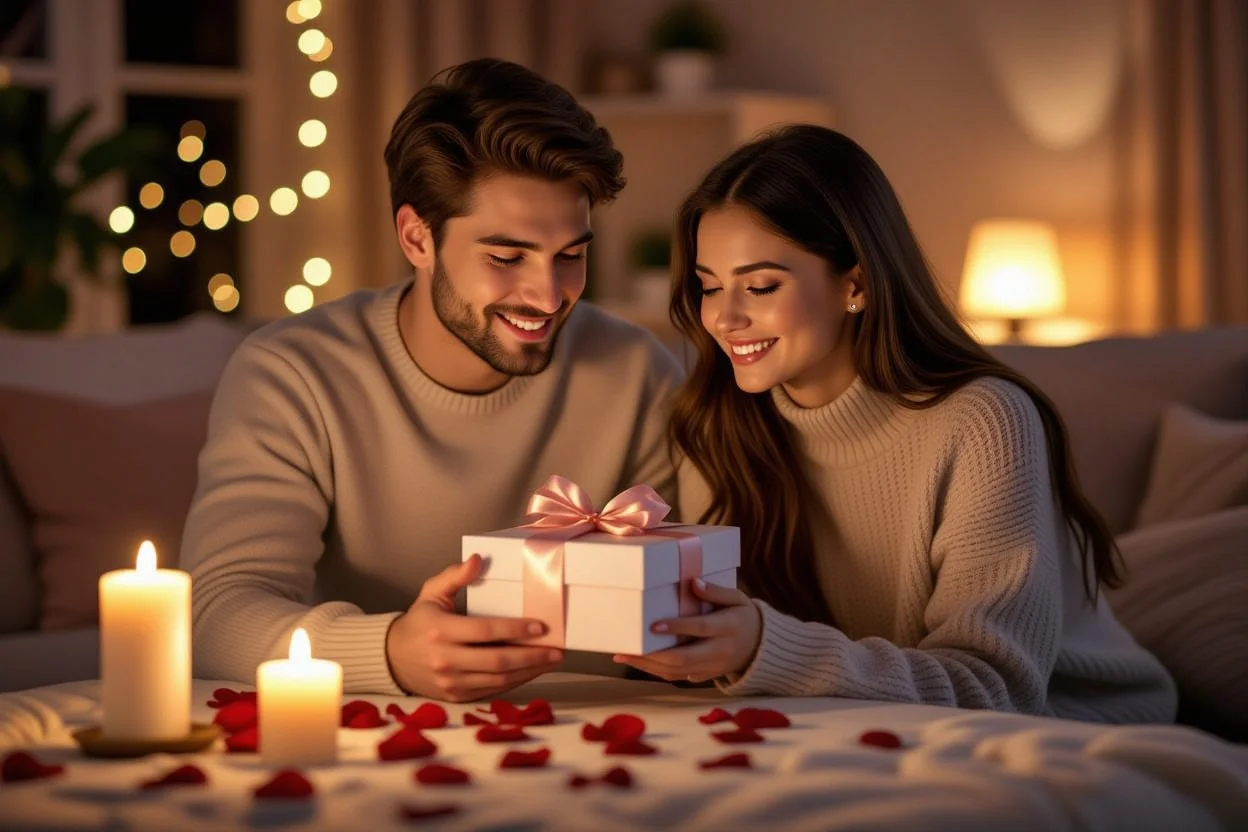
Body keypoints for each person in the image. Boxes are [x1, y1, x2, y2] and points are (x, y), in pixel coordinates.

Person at [613, 125, 1177, 724]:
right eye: (708, 287)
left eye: (759, 286)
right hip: (854, 725)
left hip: (1071, 726)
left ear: (853, 285)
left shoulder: (984, 421)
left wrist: (765, 646)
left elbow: (998, 688)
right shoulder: (715, 424)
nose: (725, 318)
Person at [181, 59, 683, 703]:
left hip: (616, 738)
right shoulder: (294, 373)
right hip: (384, 741)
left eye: (572, 256)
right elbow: (213, 615)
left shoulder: (638, 370)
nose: (549, 295)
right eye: (506, 258)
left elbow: (712, 590)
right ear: (418, 238)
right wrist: (388, 652)